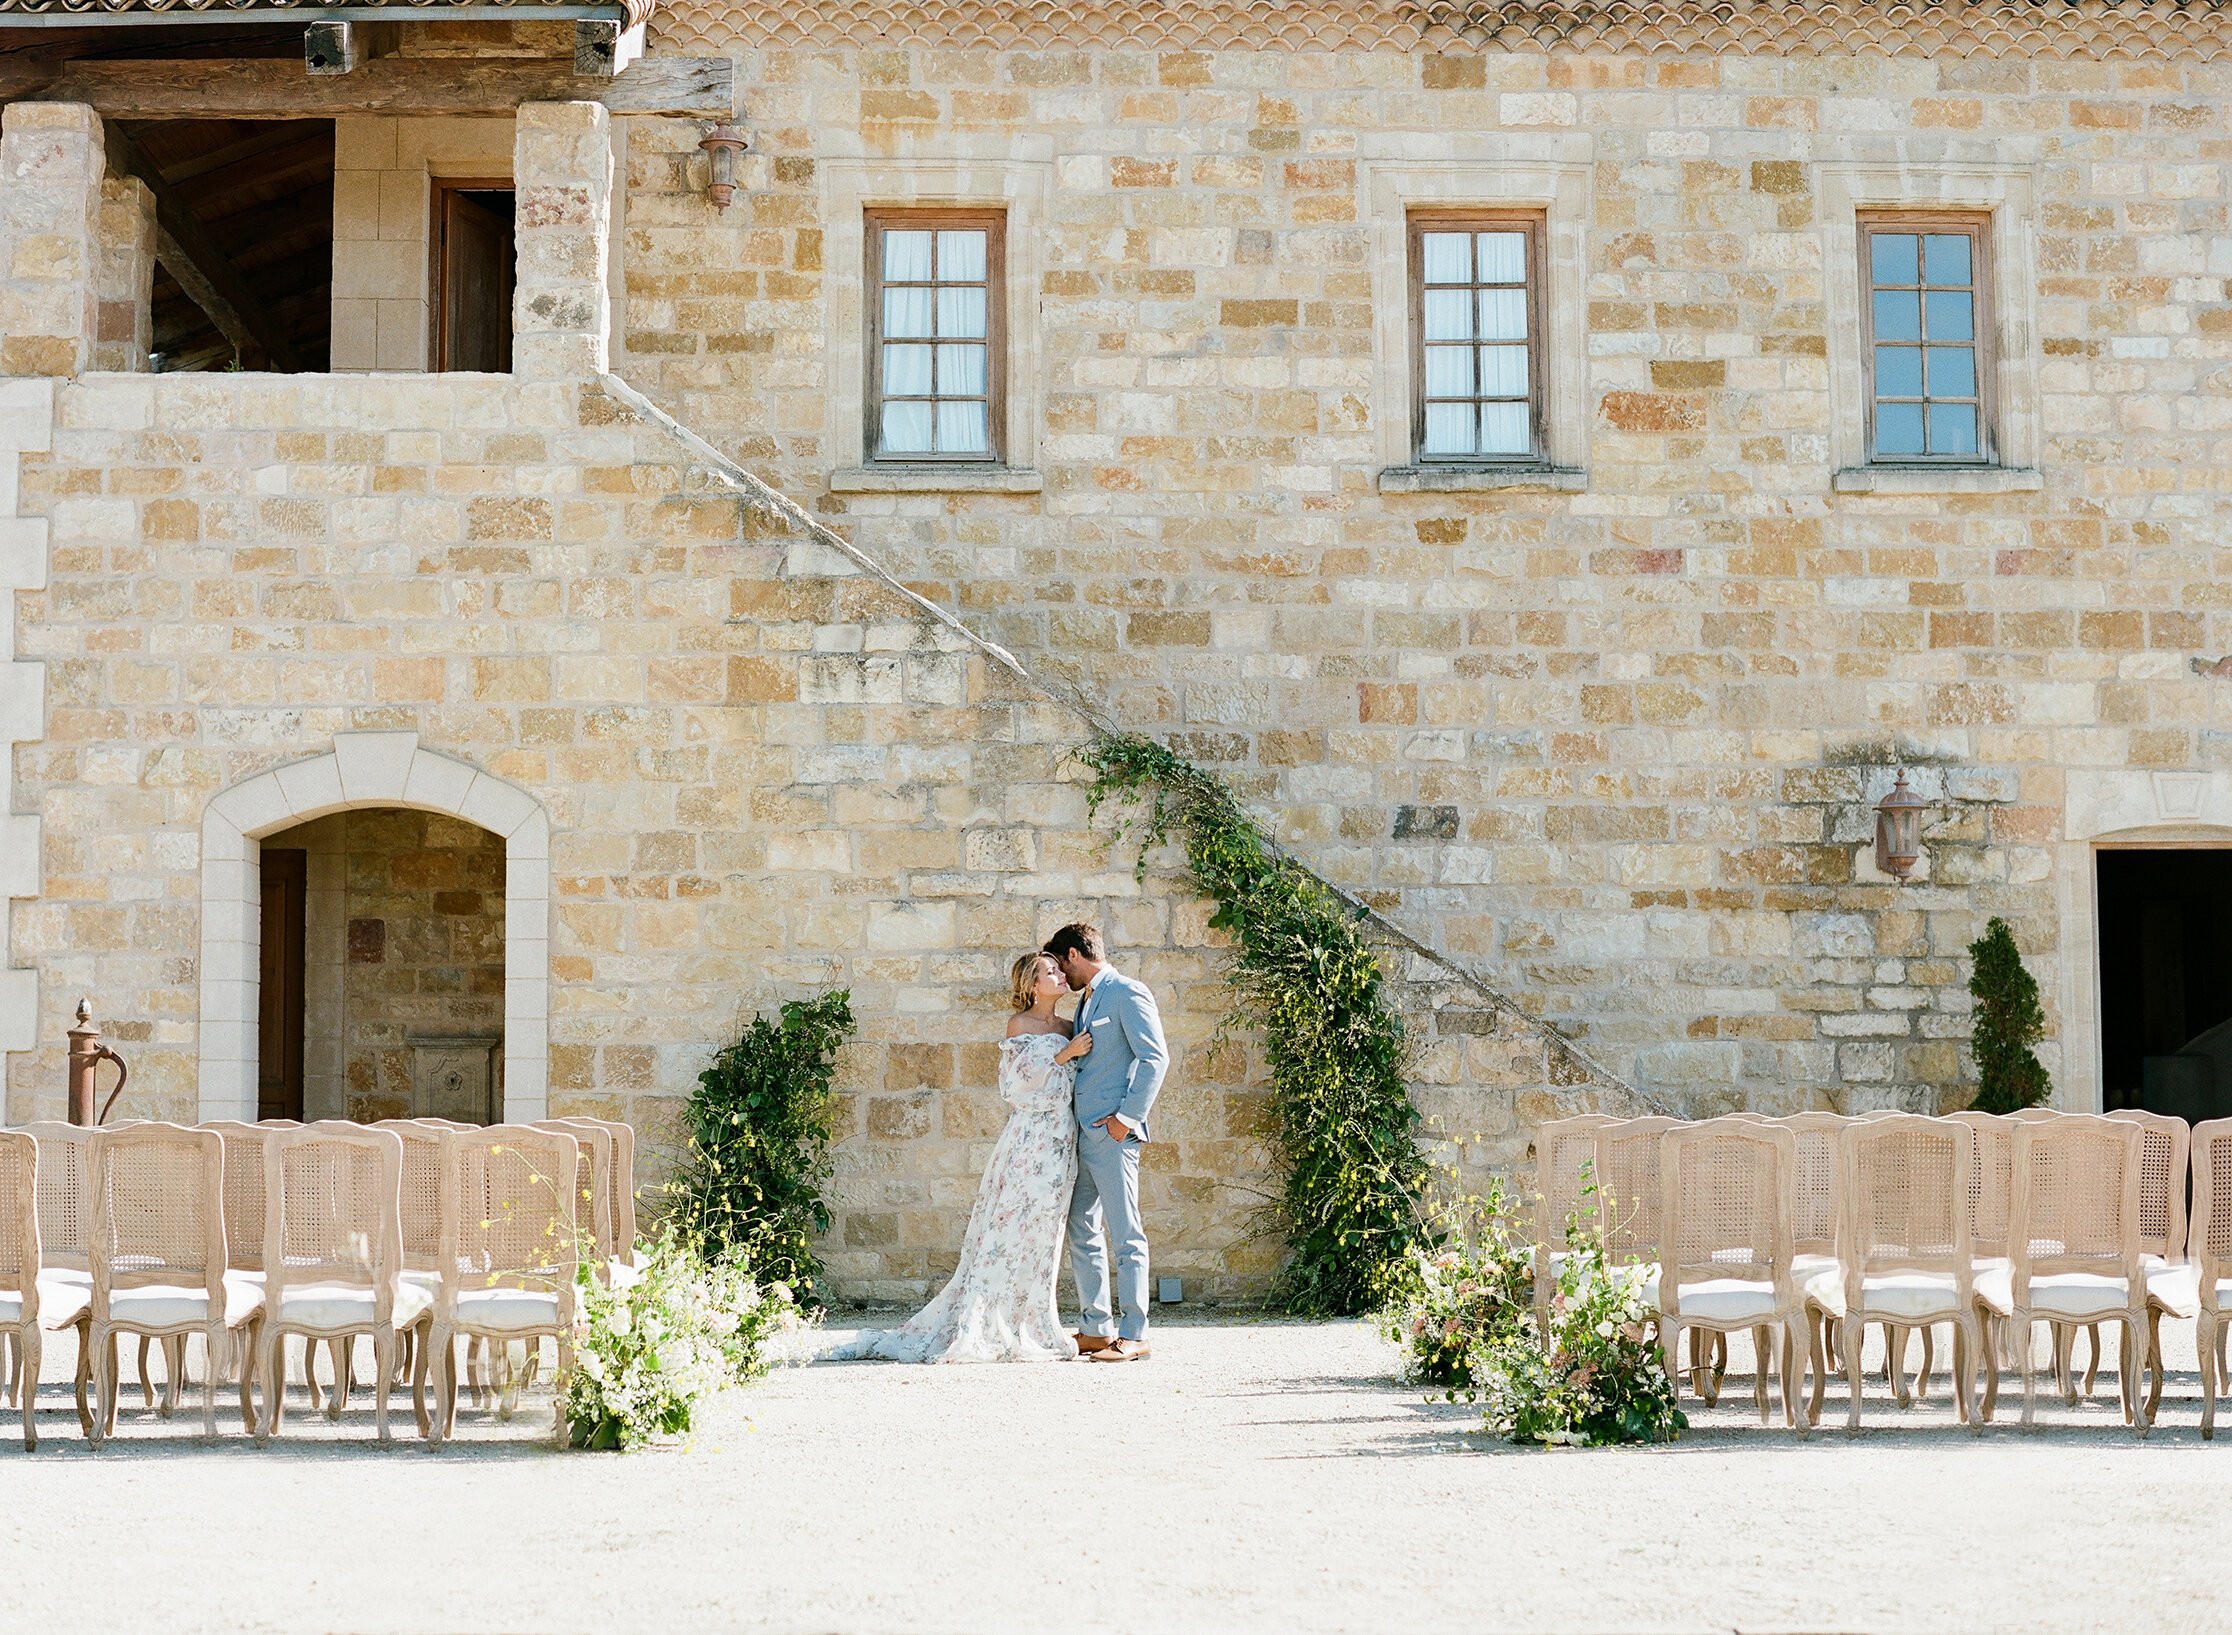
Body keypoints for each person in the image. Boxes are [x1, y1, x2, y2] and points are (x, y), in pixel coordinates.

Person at [827, 952, 1094, 1363]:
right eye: (1050, 972)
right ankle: (986, 1321)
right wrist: (1063, 1055)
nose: (1060, 975)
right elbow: (1014, 1087)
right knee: (1006, 1228)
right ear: (1031, 984)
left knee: (1043, 1233)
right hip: (1028, 1141)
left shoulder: (1070, 1026)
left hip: (1061, 1140)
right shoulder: (1020, 1026)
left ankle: (1030, 1320)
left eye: (1060, 969)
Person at [1045, 921, 1168, 1363]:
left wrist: (1127, 1118)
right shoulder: (1087, 1001)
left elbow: (1155, 1057)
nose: (1062, 975)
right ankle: (1096, 1328)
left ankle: (1135, 1333)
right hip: (1083, 1135)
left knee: (1126, 1232)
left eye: (1062, 965)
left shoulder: (1127, 991)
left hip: (1114, 1135)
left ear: (1074, 955)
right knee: (1082, 1226)